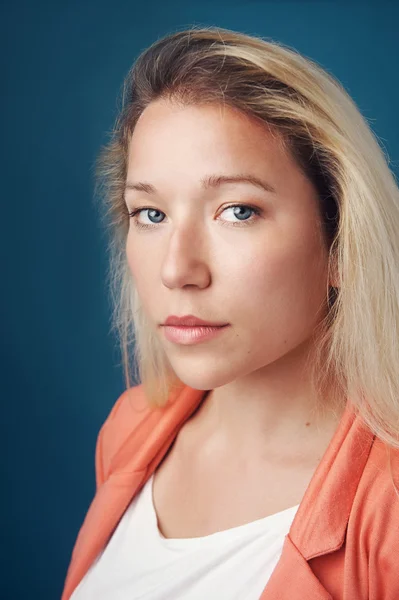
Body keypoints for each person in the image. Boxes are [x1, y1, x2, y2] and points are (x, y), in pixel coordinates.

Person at [61, 26, 399, 600]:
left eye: (238, 210)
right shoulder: (131, 428)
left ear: (342, 241)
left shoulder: (387, 506)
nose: (177, 269)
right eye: (150, 213)